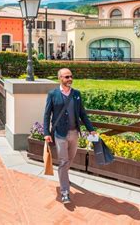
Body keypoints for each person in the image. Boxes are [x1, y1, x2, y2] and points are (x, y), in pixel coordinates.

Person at [43, 68, 97, 205]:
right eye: (67, 77)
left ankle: (64, 176)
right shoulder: (53, 94)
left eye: (71, 76)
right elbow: (47, 115)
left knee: (70, 158)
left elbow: (82, 114)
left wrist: (91, 130)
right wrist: (46, 133)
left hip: (74, 133)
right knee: (63, 161)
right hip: (60, 134)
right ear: (60, 78)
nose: (70, 79)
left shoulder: (76, 94)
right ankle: (65, 192)